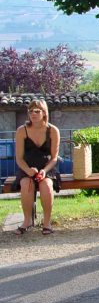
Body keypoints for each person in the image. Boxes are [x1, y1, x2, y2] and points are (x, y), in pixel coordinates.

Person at [13, 99, 60, 235]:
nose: (33, 114)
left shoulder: (53, 130)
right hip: (27, 168)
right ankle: (27, 221)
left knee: (46, 186)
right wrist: (28, 170)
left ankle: (47, 222)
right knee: (26, 184)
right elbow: (19, 158)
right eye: (30, 111)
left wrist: (44, 171)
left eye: (37, 111)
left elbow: (54, 158)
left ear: (44, 113)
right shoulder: (22, 131)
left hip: (47, 168)